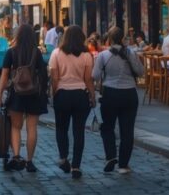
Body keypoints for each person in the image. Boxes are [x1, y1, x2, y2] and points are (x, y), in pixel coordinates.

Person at [93, 27, 144, 174]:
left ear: (109, 40)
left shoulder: (103, 55)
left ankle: (110, 156)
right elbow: (140, 72)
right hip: (129, 94)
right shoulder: (131, 53)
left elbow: (95, 75)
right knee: (127, 131)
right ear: (123, 39)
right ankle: (123, 165)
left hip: (110, 93)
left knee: (107, 127)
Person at [0, 24, 48, 172]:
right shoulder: (36, 52)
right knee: (31, 128)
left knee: (15, 127)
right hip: (34, 94)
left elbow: (4, 76)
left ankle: (17, 156)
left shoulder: (11, 52)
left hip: (16, 94)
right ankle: (30, 161)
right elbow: (43, 74)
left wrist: (0, 95)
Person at [48, 25, 95, 180]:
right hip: (80, 94)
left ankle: (63, 157)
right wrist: (92, 96)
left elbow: (54, 78)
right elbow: (88, 79)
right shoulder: (86, 55)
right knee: (78, 130)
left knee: (61, 128)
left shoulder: (56, 53)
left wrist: (54, 94)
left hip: (62, 94)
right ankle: (76, 165)